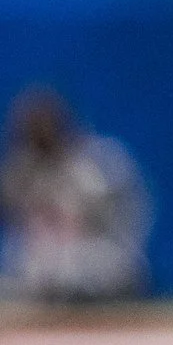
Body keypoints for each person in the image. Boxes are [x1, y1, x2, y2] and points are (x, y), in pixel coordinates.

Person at [0, 85, 146, 298]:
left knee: (77, 268)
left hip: (97, 253)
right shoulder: (21, 169)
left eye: (44, 128)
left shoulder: (97, 162)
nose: (39, 135)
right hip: (41, 263)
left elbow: (122, 221)